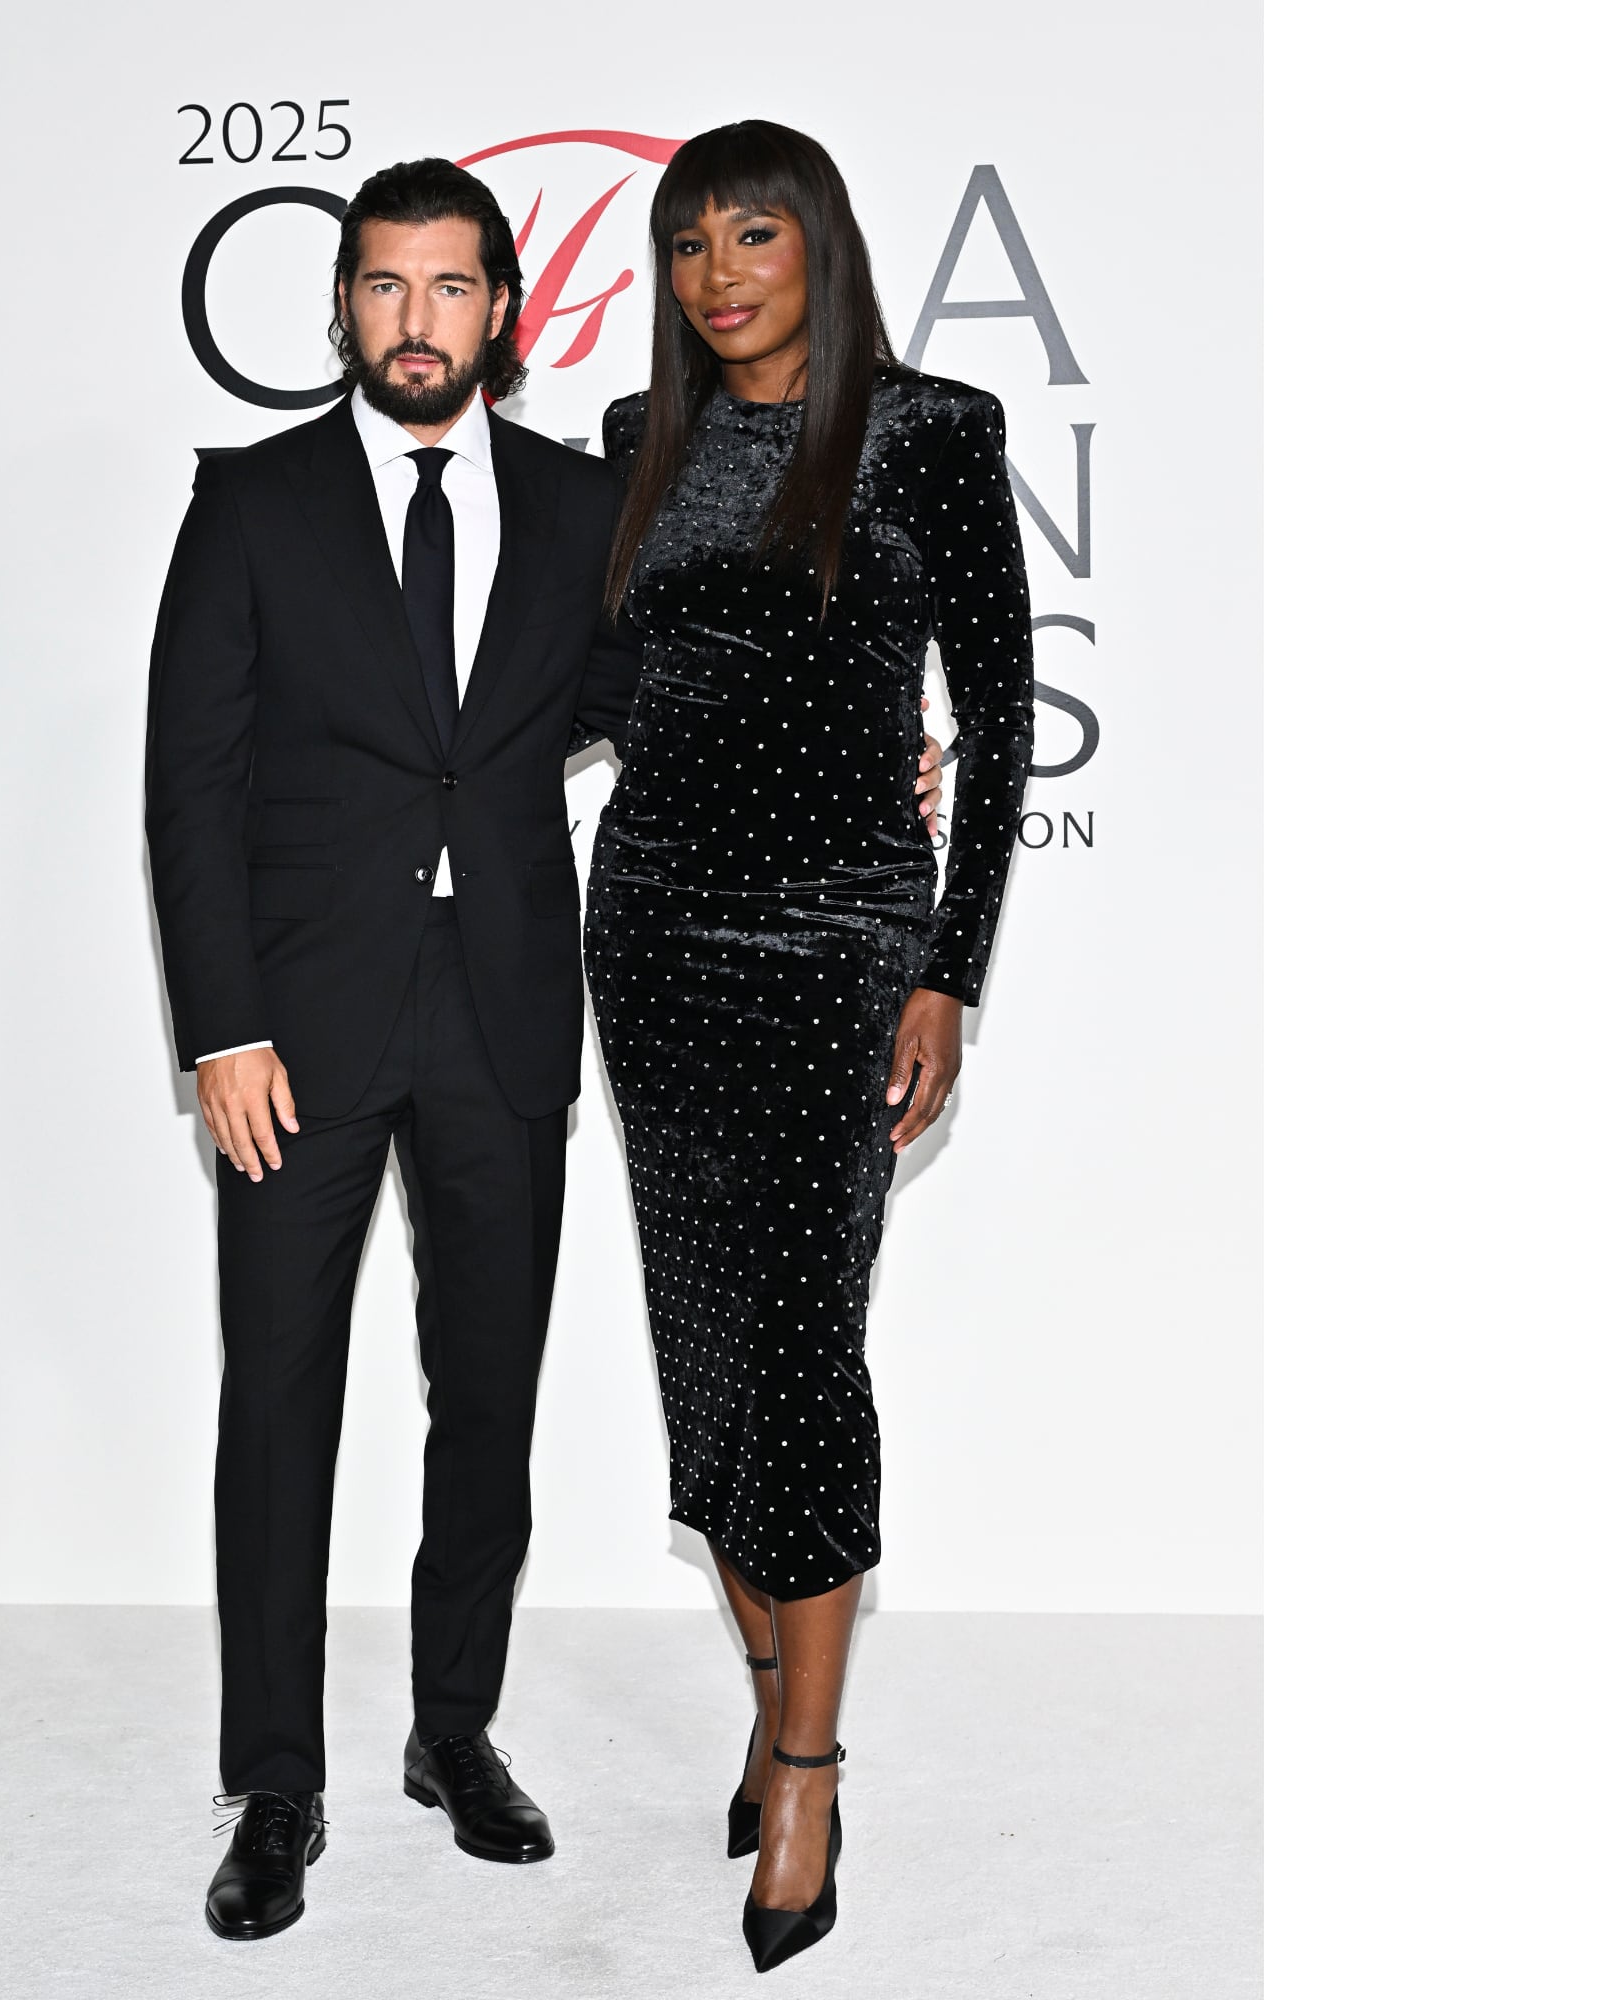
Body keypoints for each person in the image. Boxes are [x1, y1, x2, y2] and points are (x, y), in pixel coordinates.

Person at [142, 154, 948, 1943]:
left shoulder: (593, 501)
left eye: (449, 286)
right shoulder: (254, 501)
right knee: (279, 1401)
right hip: (299, 1026)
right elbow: (187, 783)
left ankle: (455, 1731)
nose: (414, 319)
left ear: (500, 311)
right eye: (382, 285)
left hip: (507, 1003)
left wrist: (878, 751)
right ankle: (275, 1784)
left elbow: (674, 698)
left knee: (487, 1394)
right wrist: (222, 1027)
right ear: (341, 308)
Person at [588, 121, 1034, 1972]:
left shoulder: (931, 431)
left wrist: (950, 971)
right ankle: (775, 1681)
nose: (719, 273)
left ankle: (804, 1769)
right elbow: (599, 689)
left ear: (821, 248)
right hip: (656, 927)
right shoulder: (640, 437)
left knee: (802, 1345)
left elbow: (999, 716)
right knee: (706, 1339)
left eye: (754, 235)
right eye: (690, 244)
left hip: (842, 934)